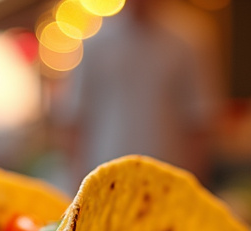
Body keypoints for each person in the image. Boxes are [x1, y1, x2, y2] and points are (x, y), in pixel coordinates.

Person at [54, 0, 220, 184]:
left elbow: (200, 120)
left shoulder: (190, 38)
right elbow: (75, 119)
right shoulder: (95, 42)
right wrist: (78, 179)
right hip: (104, 177)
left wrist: (191, 184)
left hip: (166, 179)